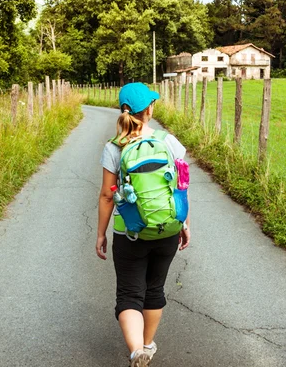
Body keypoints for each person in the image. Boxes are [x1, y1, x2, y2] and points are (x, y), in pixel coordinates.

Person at [96, 82, 191, 367]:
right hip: (167, 228)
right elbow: (180, 186)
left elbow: (106, 195)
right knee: (154, 289)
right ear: (149, 109)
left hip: (129, 233)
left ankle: (137, 351)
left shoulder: (114, 147)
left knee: (129, 293)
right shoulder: (167, 142)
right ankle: (147, 344)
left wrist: (100, 233)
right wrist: (183, 222)